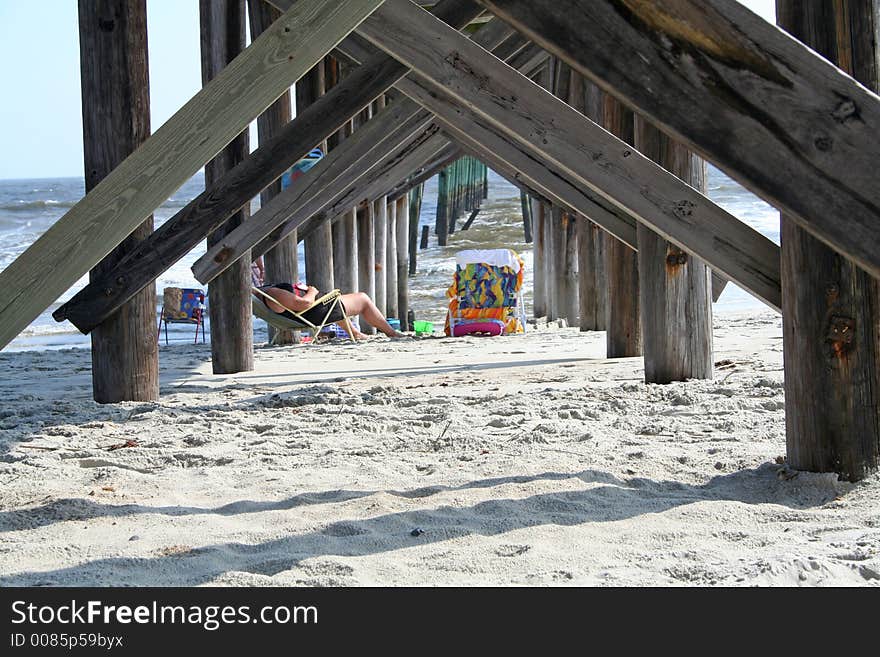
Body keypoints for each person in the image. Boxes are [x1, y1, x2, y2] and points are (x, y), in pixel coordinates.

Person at [255, 282, 406, 339]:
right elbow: (305, 304)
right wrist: (312, 291)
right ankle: (391, 333)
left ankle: (355, 333)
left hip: (307, 315)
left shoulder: (260, 295)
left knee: (335, 304)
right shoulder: (273, 294)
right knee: (363, 299)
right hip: (314, 314)